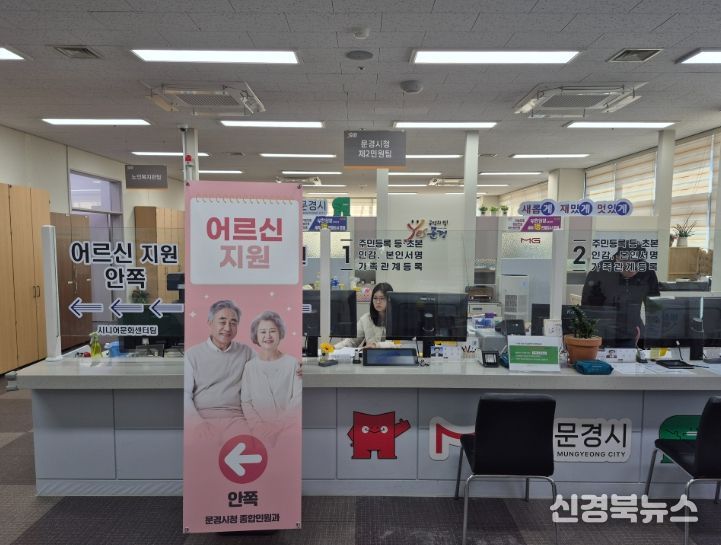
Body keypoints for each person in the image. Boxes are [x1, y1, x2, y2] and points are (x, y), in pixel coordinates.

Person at [184, 300, 254, 421]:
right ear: (210, 323)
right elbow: (185, 394)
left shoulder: (246, 352)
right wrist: (197, 424)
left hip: (237, 418)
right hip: (202, 418)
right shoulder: (192, 355)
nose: (227, 328)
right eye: (222, 322)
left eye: (233, 323)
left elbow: (266, 371)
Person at [581, 244, 660, 347]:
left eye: (636, 266)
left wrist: (653, 335)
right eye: (627, 265)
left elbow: (654, 307)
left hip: (634, 330)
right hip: (603, 331)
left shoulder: (647, 272)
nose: (632, 270)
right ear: (617, 259)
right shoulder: (600, 272)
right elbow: (588, 307)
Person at [241, 311, 302, 425]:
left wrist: (280, 426)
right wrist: (258, 426)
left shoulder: (293, 363)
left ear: (280, 333)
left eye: (272, 331)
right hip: (259, 429)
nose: (268, 336)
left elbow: (298, 400)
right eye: (263, 332)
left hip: (288, 428)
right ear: (256, 336)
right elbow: (246, 402)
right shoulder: (249, 367)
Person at [335, 282, 394, 349]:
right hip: (370, 355)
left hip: (393, 355)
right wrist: (333, 348)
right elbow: (352, 341)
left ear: (389, 299)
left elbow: (397, 344)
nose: (378, 302)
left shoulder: (397, 319)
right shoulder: (366, 319)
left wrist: (376, 345)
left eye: (382, 298)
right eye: (375, 298)